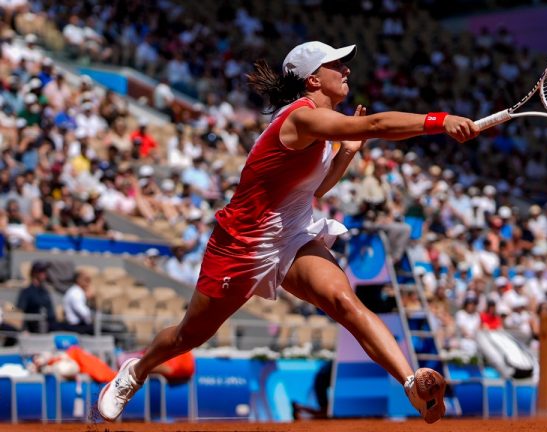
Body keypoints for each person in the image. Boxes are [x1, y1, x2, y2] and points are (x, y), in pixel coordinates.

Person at [98, 41, 479, 423]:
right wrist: (438, 121)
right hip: (243, 245)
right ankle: (137, 370)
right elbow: (375, 125)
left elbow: (312, 190)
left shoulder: (319, 126)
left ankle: (411, 382)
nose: (346, 70)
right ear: (313, 79)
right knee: (189, 337)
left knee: (344, 302)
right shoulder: (301, 118)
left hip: (292, 234)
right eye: (337, 65)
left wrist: (346, 153)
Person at [16, 262, 58, 333]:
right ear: (34, 273)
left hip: (50, 326)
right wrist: (24, 329)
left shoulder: (45, 291)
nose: (45, 274)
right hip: (35, 327)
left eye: (45, 271)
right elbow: (21, 311)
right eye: (42, 271)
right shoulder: (27, 292)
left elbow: (51, 313)